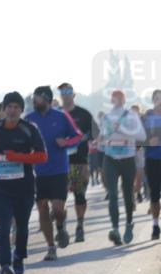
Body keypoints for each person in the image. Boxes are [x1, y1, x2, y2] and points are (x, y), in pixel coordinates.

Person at [0, 92, 48, 274]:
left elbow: (42, 156)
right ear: (3, 110)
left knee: (21, 226)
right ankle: (5, 266)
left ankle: (18, 256)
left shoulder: (29, 129)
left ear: (21, 110)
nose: (12, 111)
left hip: (24, 186)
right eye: (8, 107)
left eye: (16, 107)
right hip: (1, 185)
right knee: (3, 227)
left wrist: (18, 157)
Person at [25, 86, 82, 261]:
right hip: (39, 171)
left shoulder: (61, 116)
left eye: (38, 98)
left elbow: (78, 136)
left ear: (47, 99)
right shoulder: (29, 119)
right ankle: (51, 247)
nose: (35, 101)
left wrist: (66, 142)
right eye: (34, 98)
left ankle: (60, 225)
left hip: (58, 169)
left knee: (57, 209)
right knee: (42, 207)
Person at [98, 90, 146, 244]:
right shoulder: (106, 117)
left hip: (127, 158)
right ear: (111, 100)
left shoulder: (131, 116)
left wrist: (123, 130)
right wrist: (99, 140)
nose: (117, 100)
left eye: (120, 97)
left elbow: (142, 136)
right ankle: (115, 229)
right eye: (115, 97)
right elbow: (102, 137)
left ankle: (129, 223)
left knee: (127, 193)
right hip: (110, 157)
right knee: (112, 193)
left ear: (124, 100)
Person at [57, 82, 97, 242]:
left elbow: (95, 133)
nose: (66, 94)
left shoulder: (84, 114)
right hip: (60, 163)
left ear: (74, 94)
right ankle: (62, 227)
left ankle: (80, 226)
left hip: (80, 161)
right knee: (59, 198)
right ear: (60, 95)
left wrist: (80, 139)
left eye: (68, 91)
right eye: (63, 92)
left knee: (80, 197)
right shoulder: (56, 114)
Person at [142, 90, 161, 240]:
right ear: (153, 100)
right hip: (152, 160)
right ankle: (155, 225)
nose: (159, 101)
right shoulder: (147, 116)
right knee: (154, 195)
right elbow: (139, 137)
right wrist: (148, 142)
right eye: (156, 98)